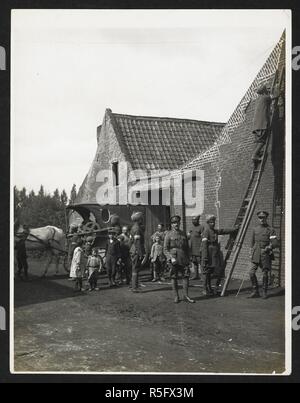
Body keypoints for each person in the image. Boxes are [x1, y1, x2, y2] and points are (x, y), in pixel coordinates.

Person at [201, 215, 238, 296]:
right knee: (206, 272)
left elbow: (222, 231)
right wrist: (205, 257)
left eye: (214, 222)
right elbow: (204, 246)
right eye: (211, 222)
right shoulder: (206, 231)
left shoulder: (214, 231)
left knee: (210, 272)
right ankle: (204, 289)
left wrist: (233, 229)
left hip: (213, 254)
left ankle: (209, 288)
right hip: (208, 254)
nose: (213, 223)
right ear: (208, 223)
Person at [164, 215, 195, 303]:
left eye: (177, 222)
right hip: (174, 259)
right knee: (174, 277)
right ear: (172, 224)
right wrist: (170, 257)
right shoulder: (168, 234)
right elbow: (165, 249)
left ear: (179, 223)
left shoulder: (183, 233)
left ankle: (186, 296)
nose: (176, 224)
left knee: (186, 277)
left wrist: (189, 259)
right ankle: (176, 296)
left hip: (184, 258)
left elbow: (187, 248)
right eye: (174, 223)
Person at [248, 211, 278, 299]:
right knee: (251, 272)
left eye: (263, 217)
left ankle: (264, 292)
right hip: (256, 253)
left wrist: (269, 247)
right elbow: (252, 242)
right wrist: (250, 252)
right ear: (258, 218)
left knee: (265, 273)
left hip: (265, 253)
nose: (261, 219)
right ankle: (255, 291)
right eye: (260, 217)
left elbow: (275, 243)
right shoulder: (254, 229)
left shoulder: (270, 229)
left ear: (266, 218)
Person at [251, 84, 274, 163]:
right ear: (265, 91)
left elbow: (265, 108)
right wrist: (271, 92)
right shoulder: (265, 98)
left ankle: (257, 153)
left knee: (258, 141)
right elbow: (273, 97)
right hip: (262, 124)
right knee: (262, 141)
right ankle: (254, 155)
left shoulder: (258, 100)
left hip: (256, 125)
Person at [129, 211, 146, 293]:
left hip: (133, 250)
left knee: (135, 269)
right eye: (141, 218)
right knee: (135, 269)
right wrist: (140, 253)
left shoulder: (134, 227)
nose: (142, 220)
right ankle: (134, 287)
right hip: (136, 251)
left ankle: (134, 285)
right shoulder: (137, 229)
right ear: (139, 219)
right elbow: (138, 242)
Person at [188, 215, 205, 280]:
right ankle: (196, 275)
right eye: (193, 220)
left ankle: (203, 276)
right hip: (192, 249)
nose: (194, 221)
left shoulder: (201, 227)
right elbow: (189, 236)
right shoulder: (191, 228)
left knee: (201, 263)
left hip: (198, 248)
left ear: (198, 220)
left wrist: (201, 247)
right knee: (194, 262)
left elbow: (203, 238)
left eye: (195, 220)